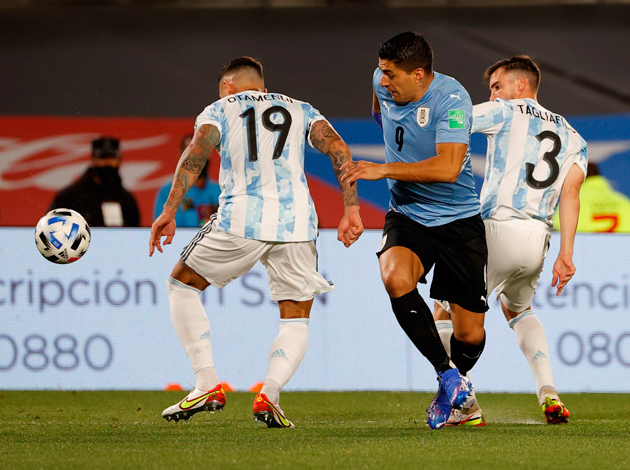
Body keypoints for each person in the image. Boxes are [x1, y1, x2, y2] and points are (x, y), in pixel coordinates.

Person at [149, 56, 363, 428]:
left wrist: (169, 208)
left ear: (226, 87)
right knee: (296, 318)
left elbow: (197, 152)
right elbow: (340, 149)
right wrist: (352, 208)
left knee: (181, 285)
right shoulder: (301, 108)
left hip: (241, 220)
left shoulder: (219, 108)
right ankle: (271, 393)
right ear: (263, 88)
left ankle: (206, 383)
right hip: (298, 224)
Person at [341, 31, 488, 430]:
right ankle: (447, 374)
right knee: (394, 277)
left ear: (420, 74)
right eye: (381, 72)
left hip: (458, 219)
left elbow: (447, 169)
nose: (383, 81)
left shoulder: (452, 99)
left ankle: (453, 390)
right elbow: (379, 110)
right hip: (407, 213)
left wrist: (383, 167)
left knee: (471, 334)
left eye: (391, 75)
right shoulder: (380, 82)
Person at [434, 55, 588, 426]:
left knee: (443, 309)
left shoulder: (505, 111)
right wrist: (566, 253)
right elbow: (571, 195)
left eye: (497, 86)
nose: (493, 94)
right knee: (519, 310)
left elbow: (458, 119)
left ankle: (464, 404)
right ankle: (548, 391)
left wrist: (429, 119)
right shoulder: (573, 136)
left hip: (496, 228)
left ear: (521, 86)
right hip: (538, 239)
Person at [49, 136, 140, 227]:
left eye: (112, 158)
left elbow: (133, 235)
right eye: (103, 157)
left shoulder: (127, 200)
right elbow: (51, 229)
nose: (108, 163)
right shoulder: (69, 197)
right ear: (93, 159)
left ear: (119, 160)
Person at [153, 134, 221, 227]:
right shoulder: (167, 192)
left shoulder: (220, 191)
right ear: (180, 157)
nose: (195, 158)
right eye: (189, 153)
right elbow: (161, 230)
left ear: (209, 154)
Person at [552, 162, 630, 232]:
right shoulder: (625, 202)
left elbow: (558, 233)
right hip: (621, 247)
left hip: (586, 247)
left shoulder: (571, 203)